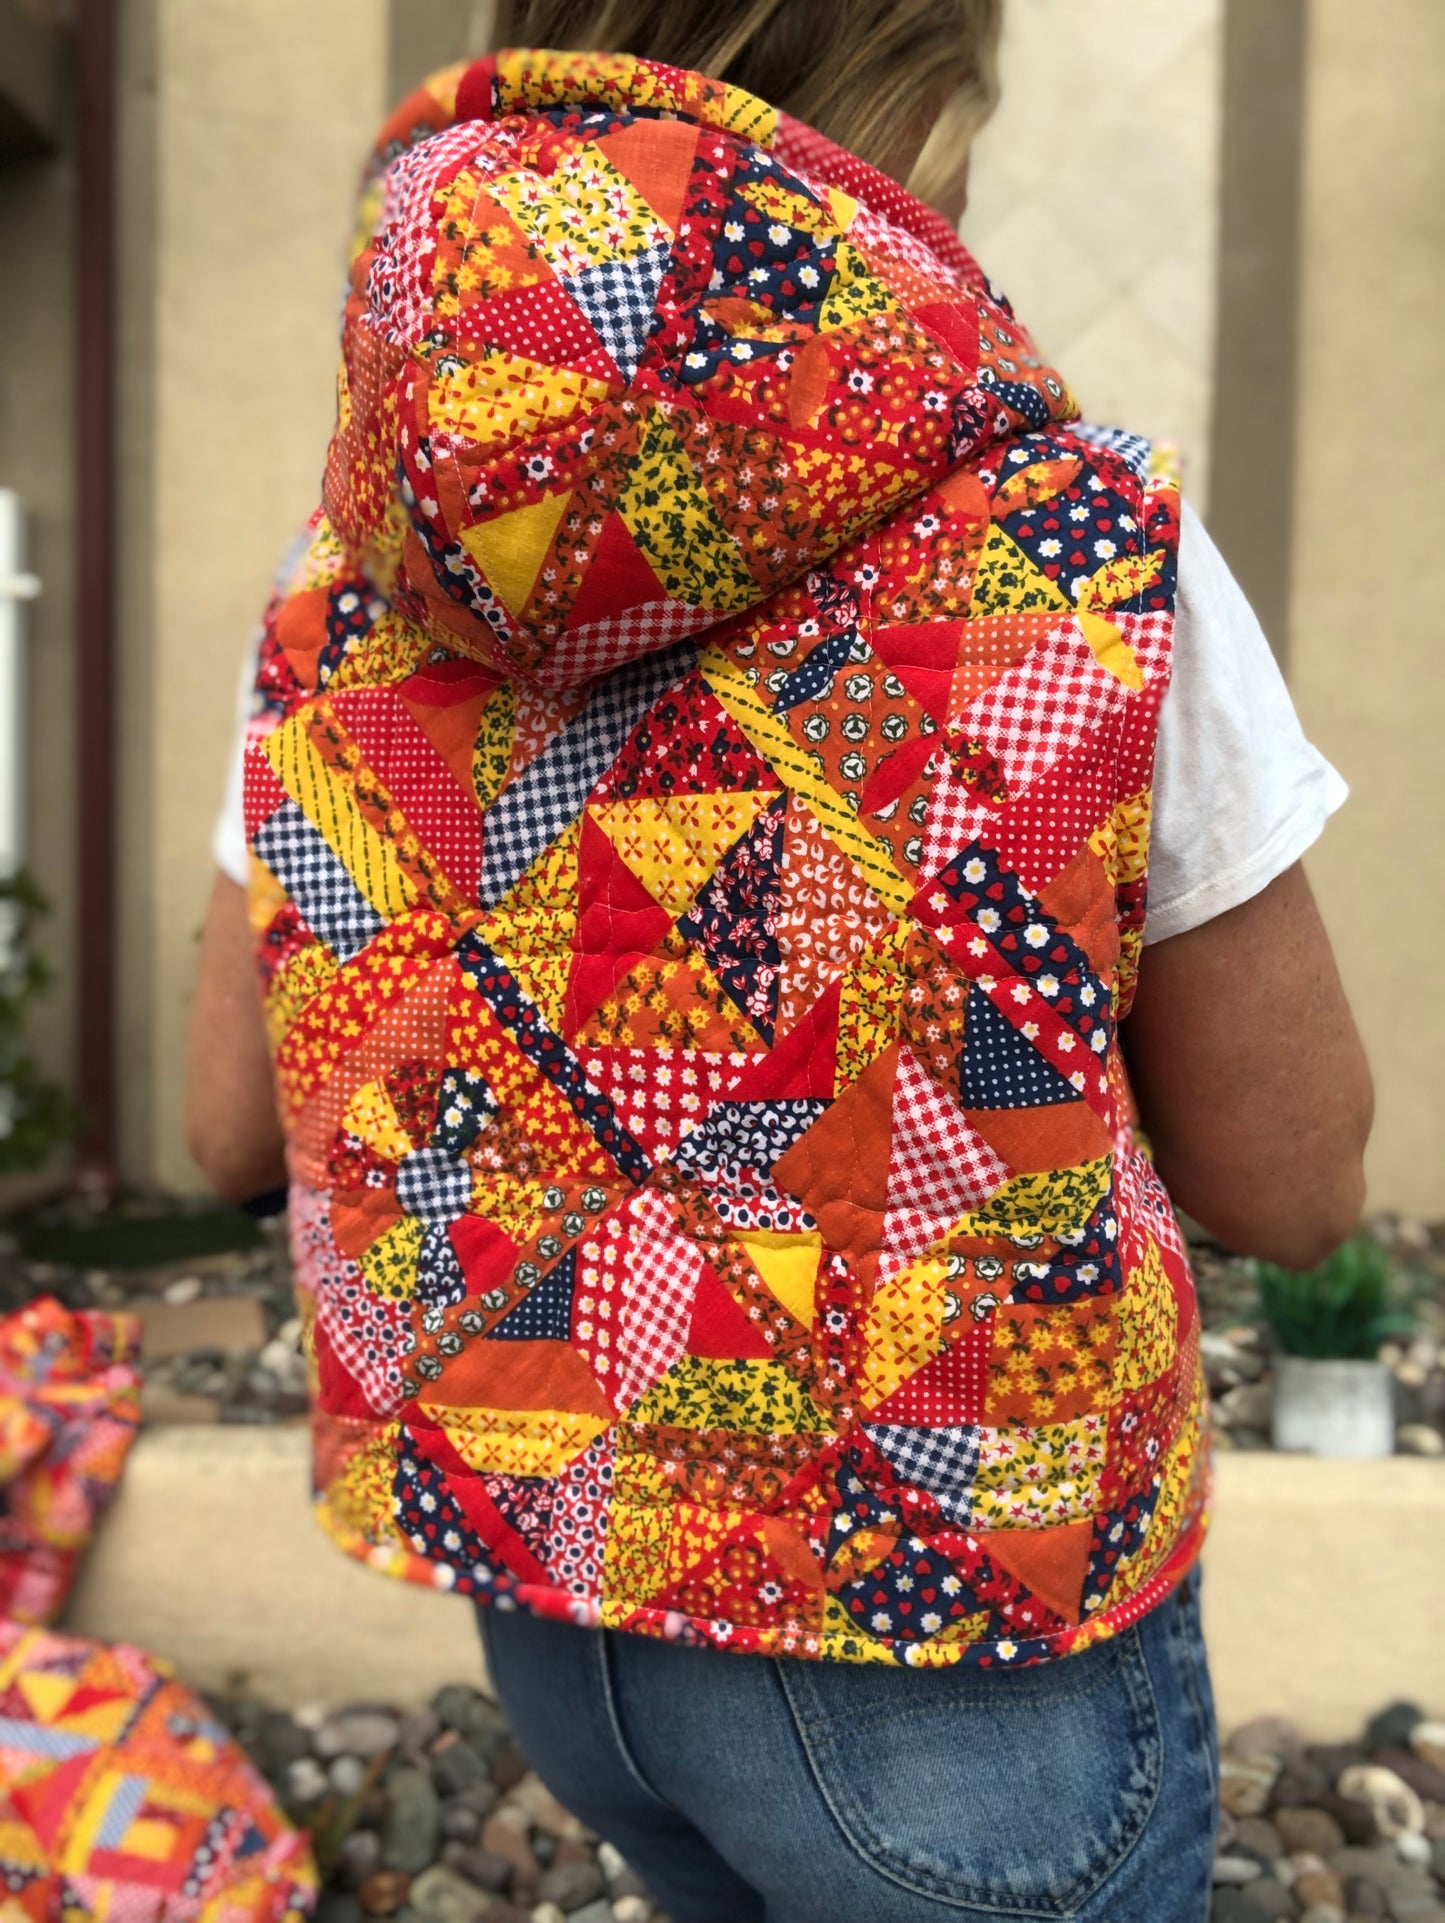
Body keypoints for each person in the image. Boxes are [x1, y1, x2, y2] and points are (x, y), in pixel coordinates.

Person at [186, 5, 1374, 1918]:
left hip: (559, 1612)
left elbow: (225, 1126)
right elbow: (1298, 1184)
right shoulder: (1074, 544)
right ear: (907, 98)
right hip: (955, 1651)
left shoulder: (347, 587)